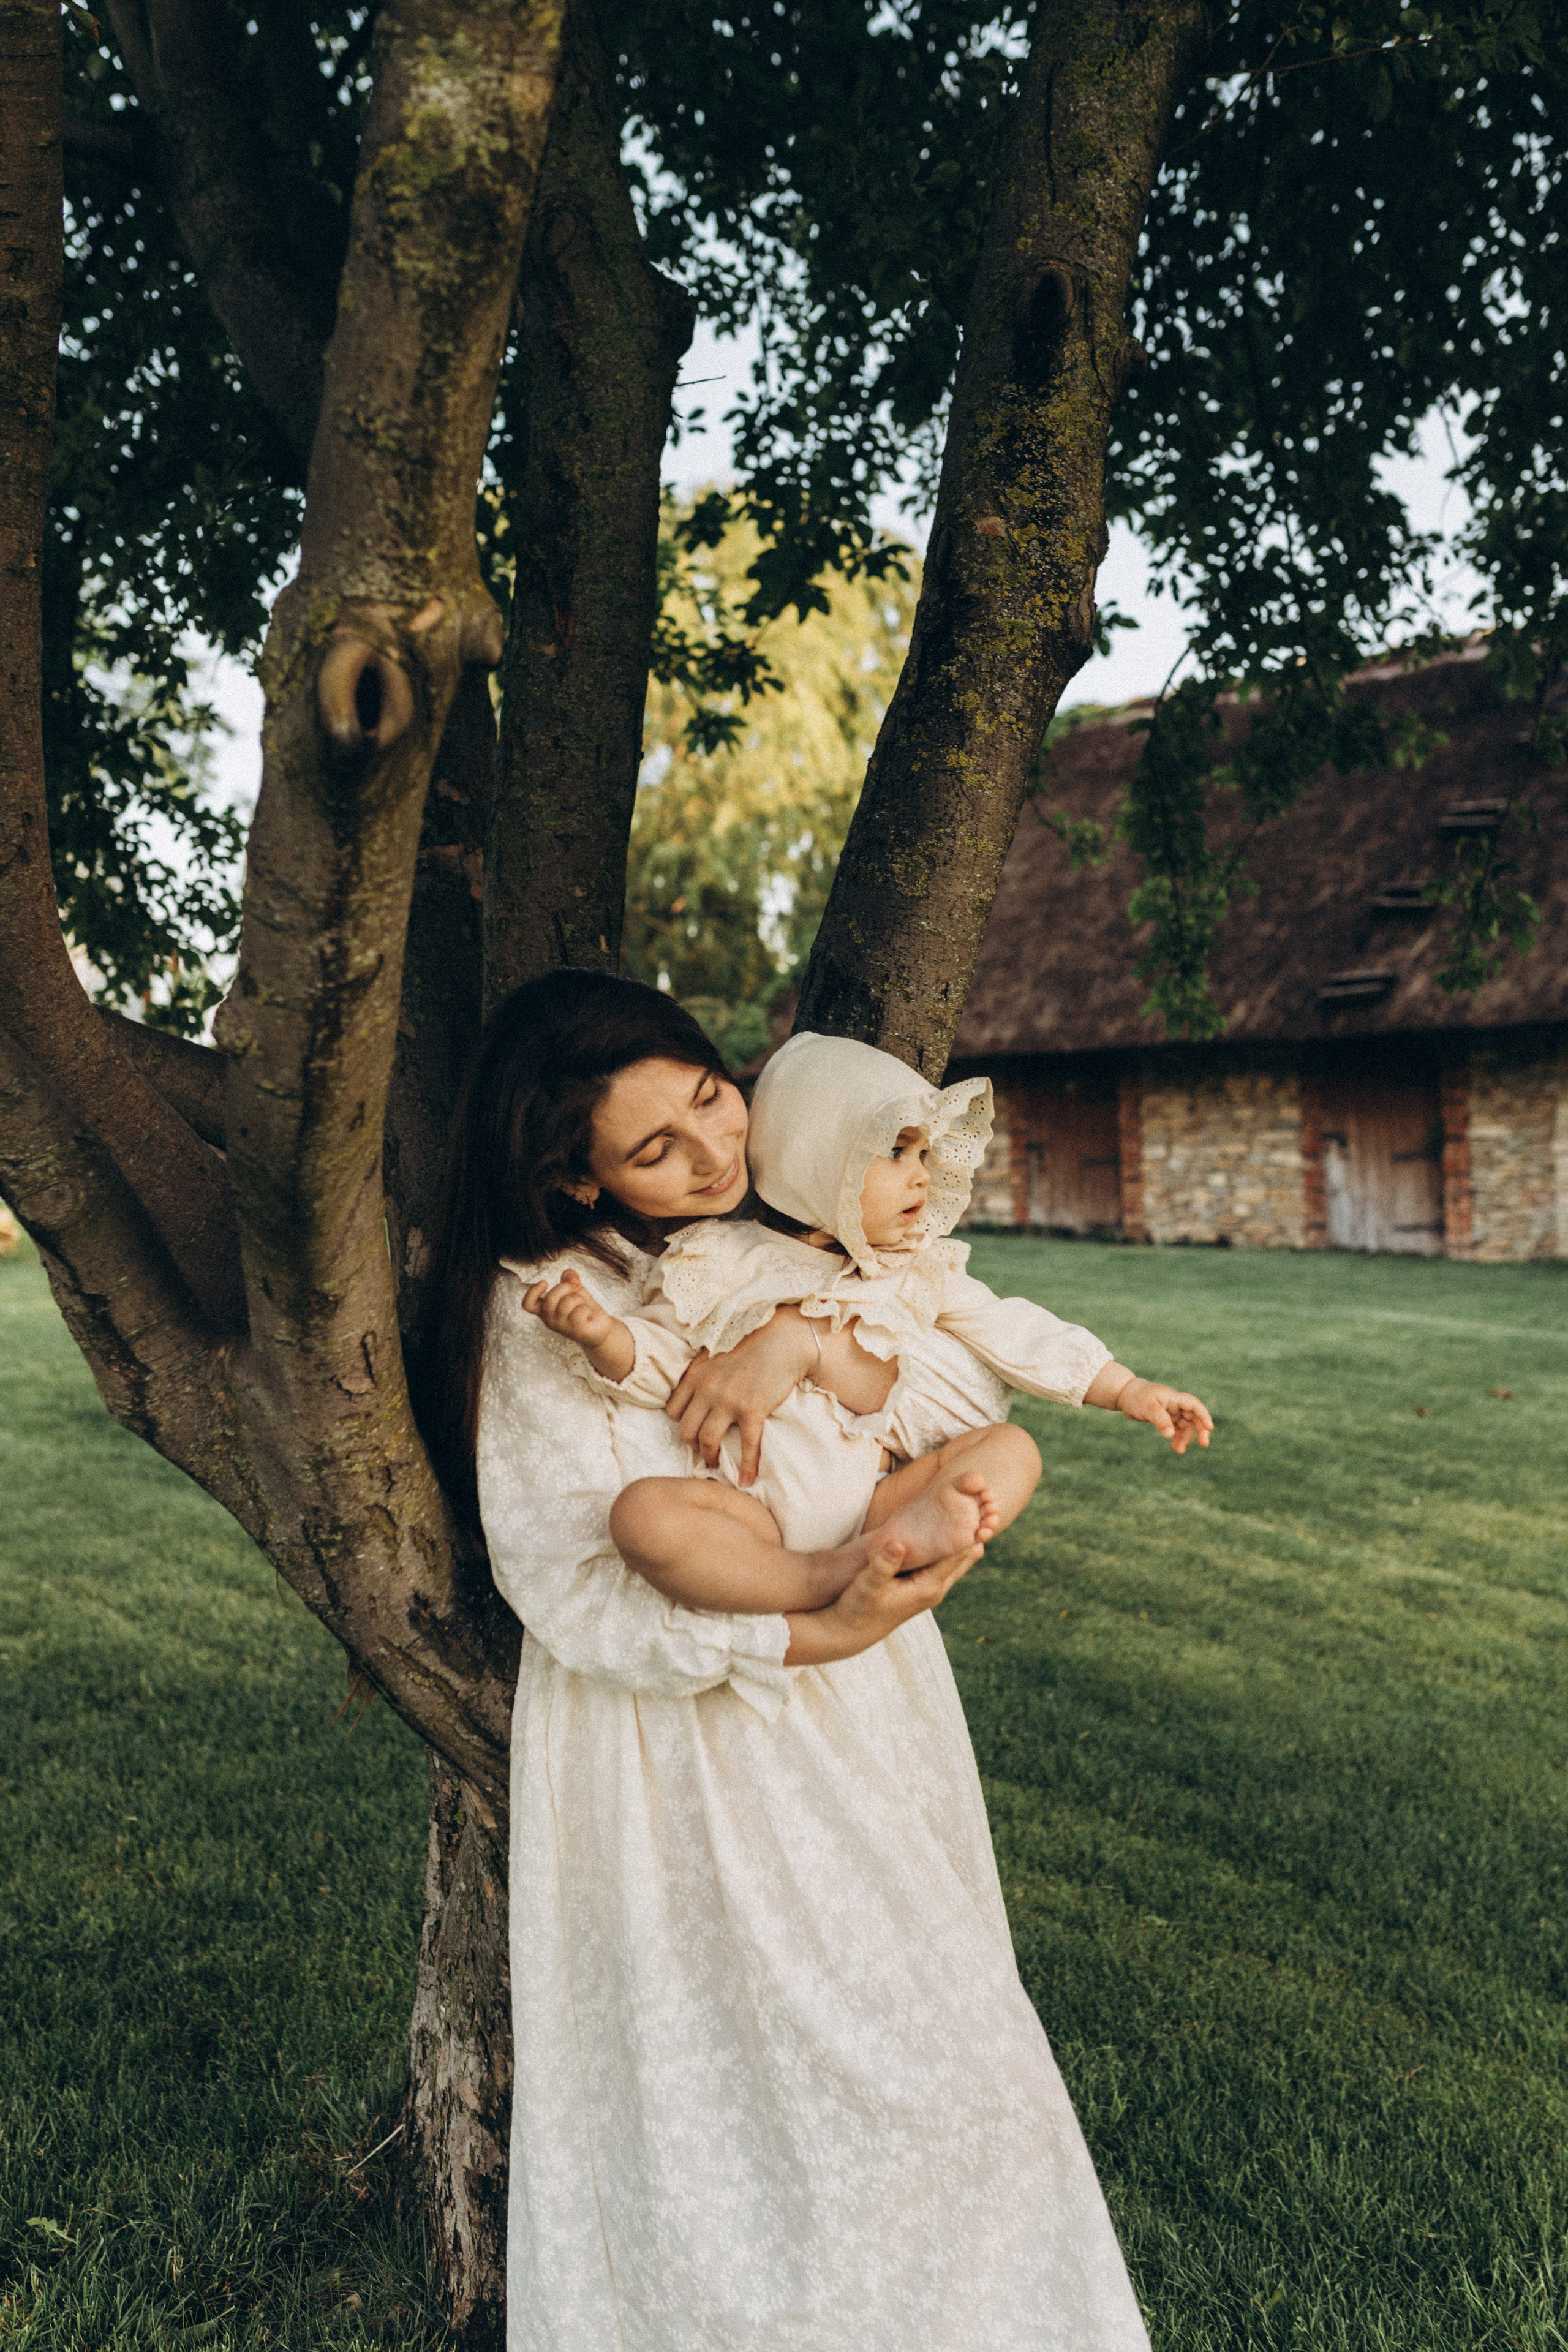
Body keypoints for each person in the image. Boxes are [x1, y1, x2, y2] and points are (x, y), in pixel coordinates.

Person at [423, 968, 1164, 2352]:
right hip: (693, 1727)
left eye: (711, 1099)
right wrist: (796, 1624)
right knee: (756, 2102)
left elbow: (957, 1391)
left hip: (866, 1692)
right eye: (654, 1148)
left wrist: (797, 1339)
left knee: (954, 2059)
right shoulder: (547, 1301)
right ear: (576, 1182)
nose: (711, 1151)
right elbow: (572, 1569)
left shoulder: (804, 1237)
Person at [522, 1029, 1212, 1617]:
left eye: (923, 1153)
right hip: (748, 1506)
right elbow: (669, 1363)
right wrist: (604, 1336)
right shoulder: (718, 1259)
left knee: (1012, 1449)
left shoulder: (917, 1269)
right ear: (818, 1162)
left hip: (877, 1494)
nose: (920, 1176)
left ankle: (909, 1537)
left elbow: (1016, 1331)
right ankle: (816, 1577)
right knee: (643, 1517)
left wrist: (1124, 1389)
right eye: (893, 1153)